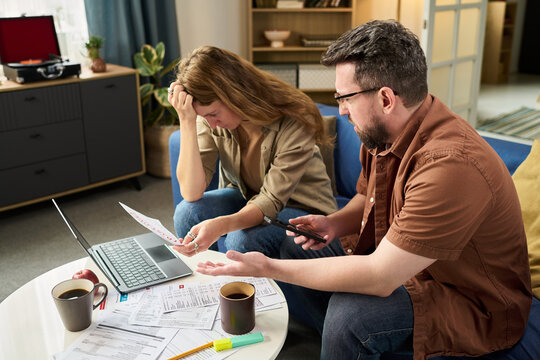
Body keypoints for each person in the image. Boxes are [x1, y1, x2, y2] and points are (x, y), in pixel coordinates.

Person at [196, 20, 533, 359]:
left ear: (386, 98)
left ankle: (342, 339)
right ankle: (336, 342)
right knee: (271, 241)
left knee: (350, 313)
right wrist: (334, 224)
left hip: (466, 298)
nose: (340, 109)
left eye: (345, 97)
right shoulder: (383, 132)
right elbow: (366, 195)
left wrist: (267, 268)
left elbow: (380, 276)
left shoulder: (451, 165)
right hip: (400, 259)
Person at [168, 46, 337, 259]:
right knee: (187, 213)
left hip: (301, 207)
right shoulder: (210, 116)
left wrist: (221, 225)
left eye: (213, 114)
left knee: (241, 239)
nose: (211, 125)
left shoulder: (295, 117)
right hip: (248, 196)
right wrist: (187, 121)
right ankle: (210, 286)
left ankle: (242, 292)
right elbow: (191, 193)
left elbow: (270, 201)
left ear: (234, 95)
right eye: (204, 117)